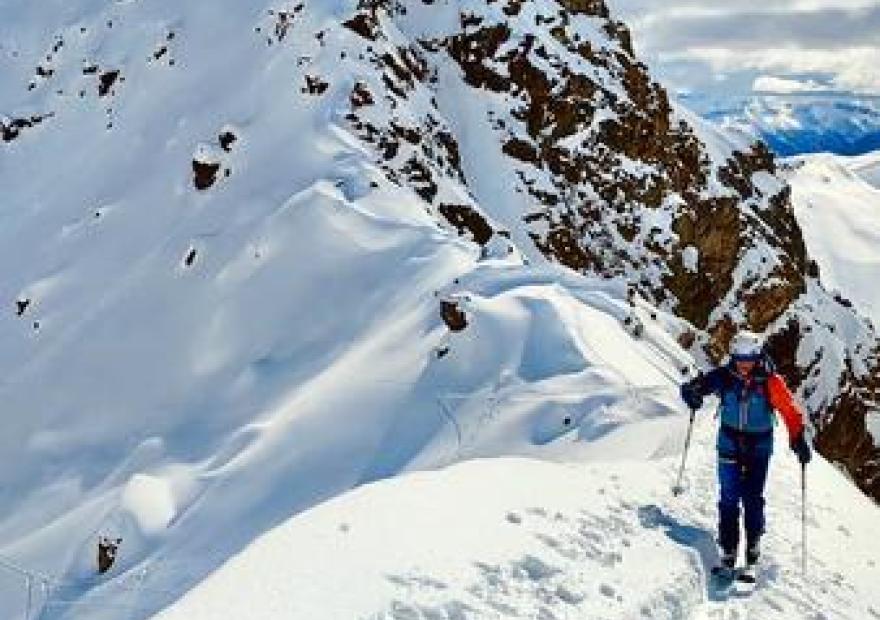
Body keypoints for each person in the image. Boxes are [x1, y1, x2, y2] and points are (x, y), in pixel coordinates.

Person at [680, 330, 812, 570]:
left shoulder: (770, 381)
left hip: (759, 446)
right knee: (729, 497)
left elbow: (790, 410)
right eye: (739, 357)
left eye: (749, 357)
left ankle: (753, 543)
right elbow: (700, 386)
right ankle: (728, 548)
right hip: (729, 442)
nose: (744, 363)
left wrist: (798, 438)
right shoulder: (725, 376)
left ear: (758, 355)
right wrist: (691, 392)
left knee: (752, 497)